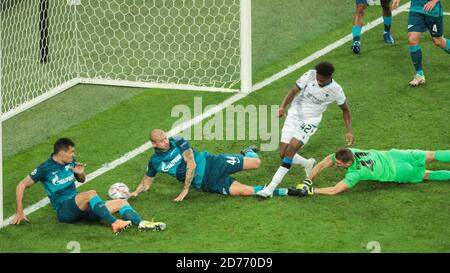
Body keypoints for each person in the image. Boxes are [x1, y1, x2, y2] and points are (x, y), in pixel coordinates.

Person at [11, 138, 166, 234]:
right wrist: (19, 212)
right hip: (64, 211)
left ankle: (142, 223)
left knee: (122, 202)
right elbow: (21, 185)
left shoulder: (70, 162)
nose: (73, 154)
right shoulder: (45, 168)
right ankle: (115, 223)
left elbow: (82, 180)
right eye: (71, 152)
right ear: (61, 153)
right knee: (91, 193)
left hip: (80, 208)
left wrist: (79, 173)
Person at [256, 62, 354, 198]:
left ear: (329, 77)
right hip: (294, 115)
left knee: (291, 150)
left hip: (310, 120)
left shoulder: (336, 90)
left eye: (322, 80)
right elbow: (293, 91)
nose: (318, 81)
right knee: (283, 153)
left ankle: (270, 188)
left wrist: (349, 130)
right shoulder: (310, 75)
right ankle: (307, 163)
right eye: (318, 78)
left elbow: (345, 109)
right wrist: (282, 106)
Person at [130, 129, 293, 200]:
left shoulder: (179, 141)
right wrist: (135, 193)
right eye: (162, 140)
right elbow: (147, 182)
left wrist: (185, 189)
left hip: (214, 163)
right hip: (207, 183)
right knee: (245, 191)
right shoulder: (155, 162)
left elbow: (191, 164)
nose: (166, 141)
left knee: (256, 163)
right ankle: (286, 191)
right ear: (154, 144)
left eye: (165, 137)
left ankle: (247, 151)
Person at [292, 148, 450, 196]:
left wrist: (312, 189)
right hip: (397, 155)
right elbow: (322, 164)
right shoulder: (351, 151)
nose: (336, 164)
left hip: (397, 171)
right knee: (433, 155)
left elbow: (335, 190)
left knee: (426, 174)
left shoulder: (355, 173)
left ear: (348, 163)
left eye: (339, 163)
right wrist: (308, 180)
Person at [392, 0, 449, 86]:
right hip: (416, 9)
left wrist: (434, 1)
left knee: (438, 41)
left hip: (432, 11)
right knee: (412, 39)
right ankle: (419, 75)